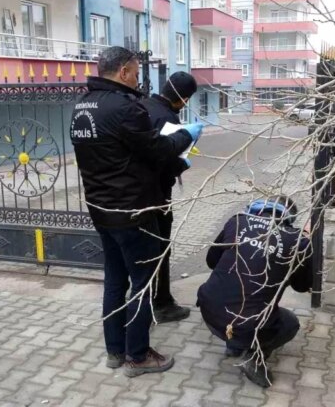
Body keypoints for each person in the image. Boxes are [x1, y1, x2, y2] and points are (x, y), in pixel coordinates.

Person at [70, 46, 204, 377]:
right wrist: (186, 136)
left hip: (101, 210)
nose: (138, 78)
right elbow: (158, 149)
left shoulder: (82, 107)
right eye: (135, 71)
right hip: (133, 212)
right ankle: (138, 355)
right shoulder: (125, 108)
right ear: (124, 72)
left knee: (115, 280)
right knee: (142, 284)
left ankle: (115, 350)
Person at [196, 195, 312, 388]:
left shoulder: (237, 221)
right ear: (290, 218)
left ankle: (235, 345)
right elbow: (302, 286)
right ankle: (253, 357)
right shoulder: (297, 240)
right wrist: (306, 243)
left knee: (236, 298)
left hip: (209, 310)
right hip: (248, 322)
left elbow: (211, 261)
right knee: (290, 324)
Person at [140, 72, 199, 324]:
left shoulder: (142, 106)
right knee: (161, 249)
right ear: (183, 99)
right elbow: (162, 160)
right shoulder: (166, 117)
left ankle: (148, 299)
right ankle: (161, 303)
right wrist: (182, 164)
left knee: (146, 251)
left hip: (136, 195)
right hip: (157, 194)